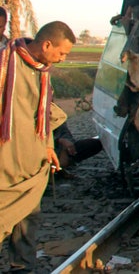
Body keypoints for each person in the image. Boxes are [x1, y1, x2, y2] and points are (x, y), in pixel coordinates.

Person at [0, 21, 75, 272]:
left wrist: (48, 146)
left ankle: (22, 265)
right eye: (61, 53)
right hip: (6, 157)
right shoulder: (5, 63)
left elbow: (41, 114)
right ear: (46, 45)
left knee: (29, 215)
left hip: (32, 157)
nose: (62, 59)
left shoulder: (42, 72)